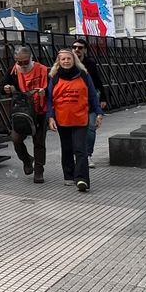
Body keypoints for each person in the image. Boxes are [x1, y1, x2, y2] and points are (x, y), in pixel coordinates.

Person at [47, 49, 101, 193]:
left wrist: (99, 113)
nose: (66, 61)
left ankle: (82, 179)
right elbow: (50, 100)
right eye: (63, 59)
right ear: (59, 62)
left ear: (74, 60)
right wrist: (51, 117)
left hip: (80, 118)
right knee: (67, 148)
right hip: (62, 118)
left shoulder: (83, 75)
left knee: (80, 149)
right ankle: (69, 175)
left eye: (68, 59)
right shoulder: (54, 77)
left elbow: (92, 95)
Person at [3, 46, 49, 182]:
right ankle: (27, 159)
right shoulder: (13, 71)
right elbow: (2, 87)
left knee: (39, 141)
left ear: (31, 58)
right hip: (22, 111)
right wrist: (6, 88)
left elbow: (52, 88)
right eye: (19, 62)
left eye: (25, 61)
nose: (22, 65)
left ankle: (39, 171)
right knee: (16, 139)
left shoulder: (43, 69)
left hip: (40, 110)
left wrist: (44, 92)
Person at [71, 39, 106, 167]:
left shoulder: (90, 63)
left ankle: (88, 155)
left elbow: (97, 81)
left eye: (80, 48)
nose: (77, 50)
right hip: (74, 101)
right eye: (74, 47)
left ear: (85, 50)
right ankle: (79, 155)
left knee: (91, 128)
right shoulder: (68, 62)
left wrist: (103, 98)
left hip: (90, 99)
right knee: (76, 129)